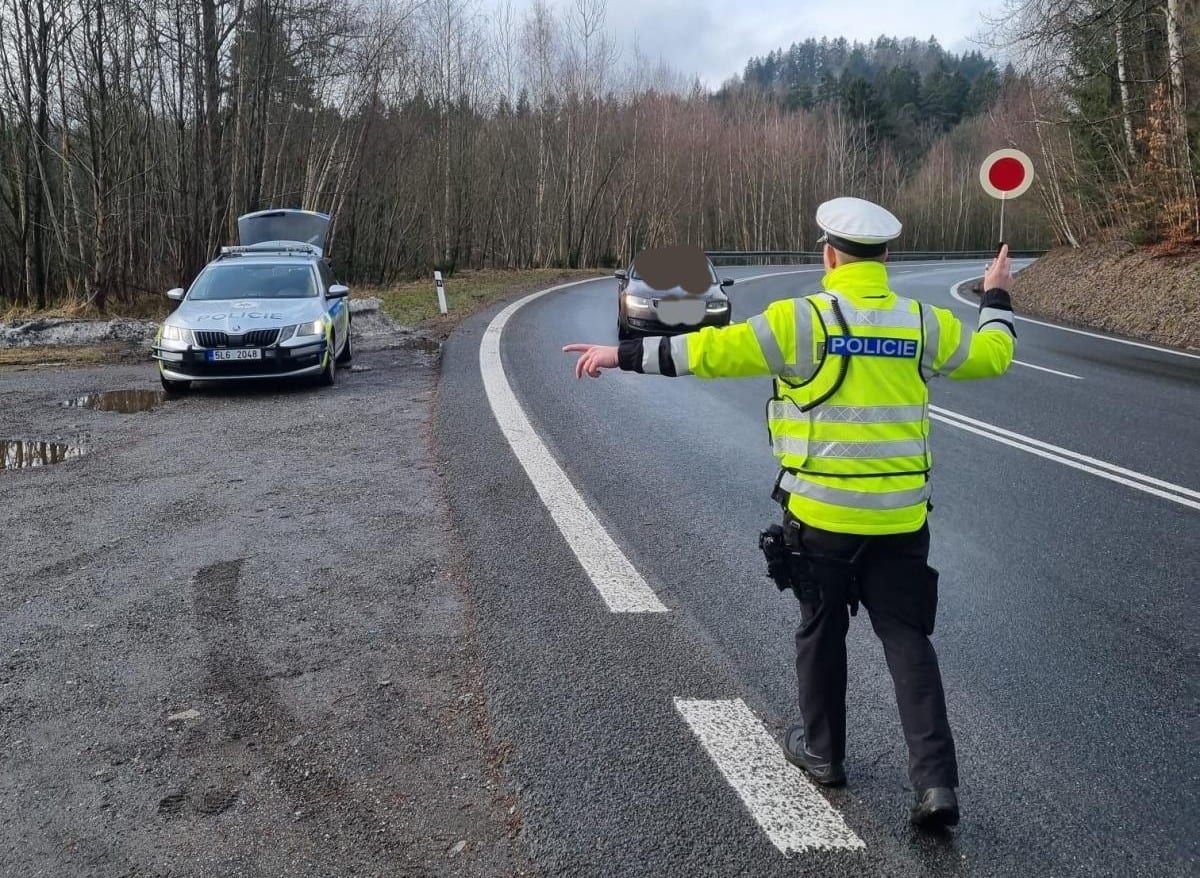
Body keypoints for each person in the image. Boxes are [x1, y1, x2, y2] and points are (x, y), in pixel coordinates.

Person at [563, 197, 1017, 830]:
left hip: (823, 516)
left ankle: (824, 755)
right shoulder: (921, 321)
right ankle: (936, 784)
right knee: (908, 641)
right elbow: (993, 356)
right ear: (885, 257)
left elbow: (708, 352)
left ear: (829, 256)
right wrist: (995, 296)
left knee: (821, 631)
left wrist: (621, 355)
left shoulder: (799, 321)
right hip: (900, 518)